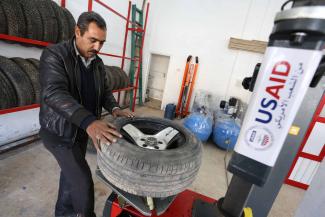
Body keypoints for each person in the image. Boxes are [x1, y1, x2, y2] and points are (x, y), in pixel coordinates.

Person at [39, 11, 134, 217]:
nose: (97, 47)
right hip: (60, 133)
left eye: (102, 42)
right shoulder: (55, 55)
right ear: (77, 32)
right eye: (93, 40)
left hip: (82, 131)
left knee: (70, 177)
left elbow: (104, 92)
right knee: (82, 182)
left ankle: (63, 213)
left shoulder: (97, 63)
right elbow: (54, 93)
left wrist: (115, 108)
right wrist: (90, 121)